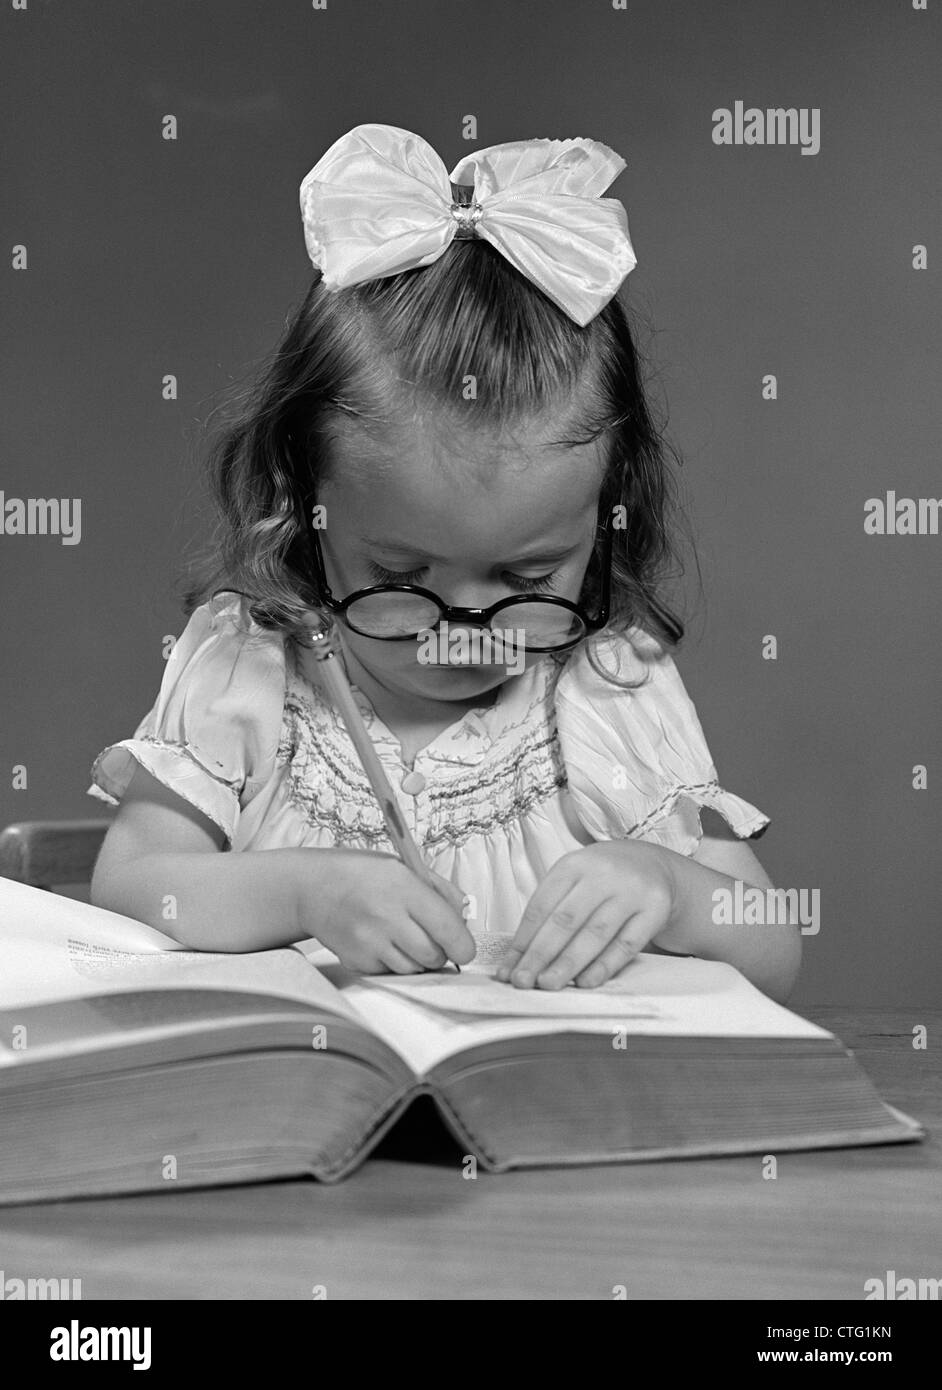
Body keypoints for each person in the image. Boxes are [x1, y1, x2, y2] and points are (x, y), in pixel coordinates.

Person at [88, 124, 800, 1002]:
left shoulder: (611, 686)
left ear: (610, 518)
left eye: (528, 581)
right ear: (305, 508)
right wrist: (308, 889)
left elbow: (776, 944)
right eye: (403, 575)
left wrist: (672, 890)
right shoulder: (252, 664)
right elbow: (132, 886)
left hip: (553, 1121)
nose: (462, 632)